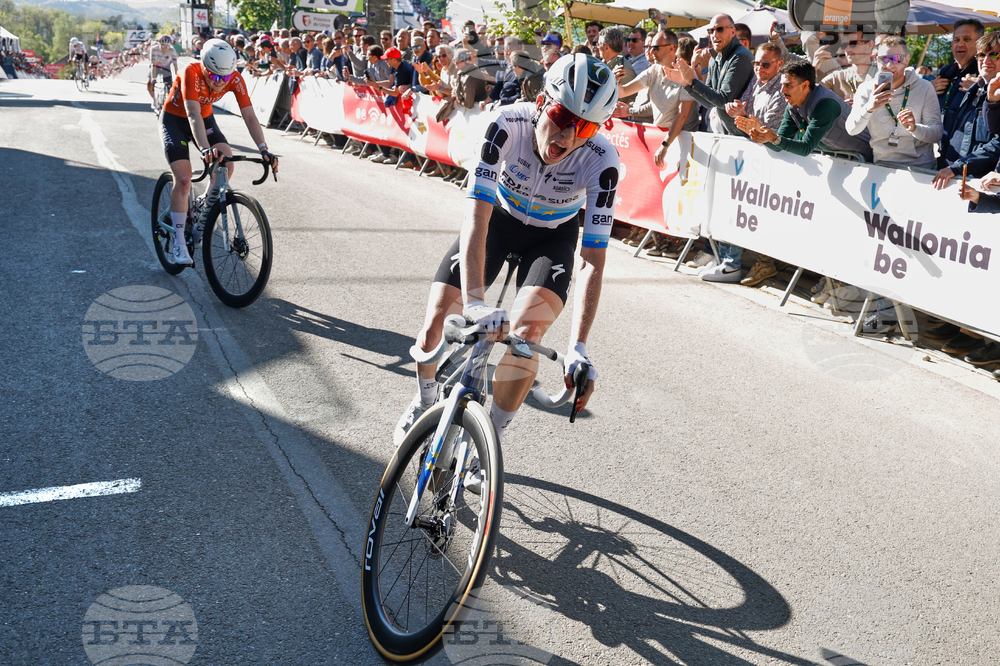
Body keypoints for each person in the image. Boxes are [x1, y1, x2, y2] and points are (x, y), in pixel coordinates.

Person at [394, 54, 620, 449]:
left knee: (526, 336)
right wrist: (476, 303)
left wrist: (578, 348)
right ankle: (424, 400)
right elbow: (476, 220)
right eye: (562, 117)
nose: (568, 136)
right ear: (540, 103)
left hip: (552, 237)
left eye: (584, 126)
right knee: (437, 321)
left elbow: (591, 259)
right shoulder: (505, 125)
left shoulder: (602, 161)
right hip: (497, 221)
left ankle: (488, 443)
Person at [158, 39, 278, 266]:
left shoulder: (232, 77)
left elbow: (250, 116)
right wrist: (204, 149)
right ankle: (179, 240)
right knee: (183, 180)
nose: (220, 83)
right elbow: (192, 113)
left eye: (225, 78)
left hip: (204, 119)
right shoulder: (190, 73)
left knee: (227, 163)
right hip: (176, 120)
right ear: (203, 67)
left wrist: (263, 149)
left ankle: (204, 201)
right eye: (214, 77)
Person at [662, 13, 753, 282]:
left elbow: (723, 99)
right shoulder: (716, 57)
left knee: (732, 203)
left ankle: (732, 262)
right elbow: (707, 97)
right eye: (712, 30)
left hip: (740, 139)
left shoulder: (740, 57)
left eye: (720, 29)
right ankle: (722, 257)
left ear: (733, 31)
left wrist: (691, 81)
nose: (715, 34)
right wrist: (688, 81)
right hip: (722, 136)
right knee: (720, 201)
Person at [846, 37, 942, 168]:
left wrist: (914, 128)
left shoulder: (924, 87)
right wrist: (869, 108)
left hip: (921, 168)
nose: (890, 65)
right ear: (875, 59)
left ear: (907, 60)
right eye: (883, 59)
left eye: (896, 58)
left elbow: (936, 134)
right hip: (882, 166)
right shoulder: (866, 89)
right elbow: (851, 129)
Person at [933, 32, 1000, 189]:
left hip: (980, 187)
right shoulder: (973, 89)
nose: (986, 60)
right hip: (951, 179)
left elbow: (997, 144)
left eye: (995, 55)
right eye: (981, 55)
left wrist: (958, 167)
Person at [932, 19, 983, 115]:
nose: (960, 44)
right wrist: (928, 90)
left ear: (980, 44)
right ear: (952, 44)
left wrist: (981, 89)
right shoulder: (945, 71)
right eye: (956, 40)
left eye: (966, 39)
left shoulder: (986, 71)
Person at [820, 31, 876, 103]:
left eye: (853, 44)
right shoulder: (836, 78)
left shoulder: (882, 75)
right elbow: (810, 94)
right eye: (845, 45)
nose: (847, 49)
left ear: (869, 45)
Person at [148, 34, 178, 109]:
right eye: (163, 45)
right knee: (150, 84)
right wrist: (153, 78)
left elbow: (175, 65)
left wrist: (177, 77)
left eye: (167, 46)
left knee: (170, 88)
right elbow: (153, 65)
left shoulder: (172, 50)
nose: (165, 48)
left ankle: (168, 102)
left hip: (166, 66)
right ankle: (154, 99)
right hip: (156, 66)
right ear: (159, 44)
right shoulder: (154, 49)